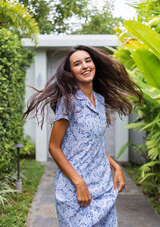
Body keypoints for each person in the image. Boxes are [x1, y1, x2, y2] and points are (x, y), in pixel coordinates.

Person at [22, 45, 142, 226]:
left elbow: (95, 144)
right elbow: (54, 147)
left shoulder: (99, 100)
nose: (85, 66)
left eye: (88, 61)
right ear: (71, 72)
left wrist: (116, 167)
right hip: (76, 192)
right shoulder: (67, 102)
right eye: (77, 64)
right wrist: (79, 183)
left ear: (94, 64)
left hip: (103, 187)